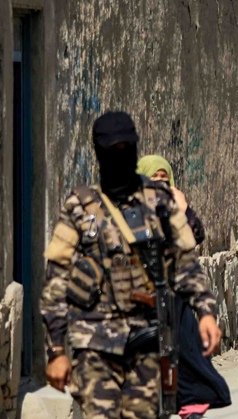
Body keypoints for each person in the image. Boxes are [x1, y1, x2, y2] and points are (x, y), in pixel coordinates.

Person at [42, 112, 222, 417]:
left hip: (147, 342)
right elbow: (56, 279)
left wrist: (206, 312)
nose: (120, 157)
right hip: (95, 344)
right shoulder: (79, 205)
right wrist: (56, 350)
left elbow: (185, 263)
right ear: (99, 153)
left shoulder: (158, 199)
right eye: (113, 151)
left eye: (126, 149)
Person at [136, 156, 231, 418]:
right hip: (142, 306)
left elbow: (195, 237)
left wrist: (183, 208)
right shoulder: (131, 214)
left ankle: (191, 407)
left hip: (176, 303)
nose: (160, 185)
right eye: (153, 179)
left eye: (164, 179)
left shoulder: (177, 209)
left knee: (189, 359)